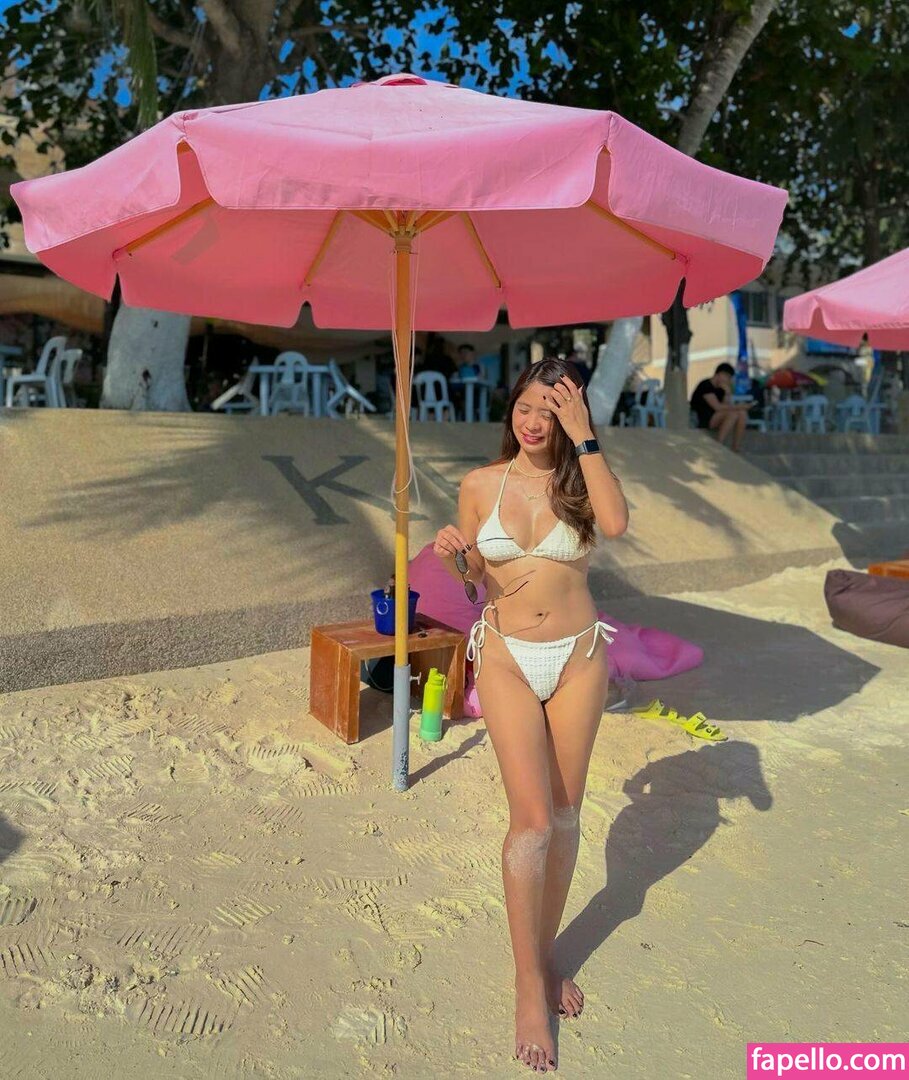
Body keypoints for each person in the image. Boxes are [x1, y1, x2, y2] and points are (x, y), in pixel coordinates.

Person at [432, 358, 629, 1073]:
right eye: (525, 406)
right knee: (533, 823)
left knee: (568, 816)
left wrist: (585, 437)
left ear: (572, 415)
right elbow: (473, 582)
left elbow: (616, 523)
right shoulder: (479, 484)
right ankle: (526, 988)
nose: (534, 421)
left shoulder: (583, 481)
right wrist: (457, 558)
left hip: (578, 658)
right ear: (510, 408)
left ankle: (545, 960)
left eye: (551, 409)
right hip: (507, 657)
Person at [690, 361, 751, 452]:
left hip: (716, 417)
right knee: (733, 414)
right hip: (702, 417)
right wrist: (739, 406)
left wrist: (727, 393)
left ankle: (735, 447)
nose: (728, 381)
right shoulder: (706, 385)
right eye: (728, 377)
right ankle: (718, 444)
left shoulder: (721, 389)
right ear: (721, 374)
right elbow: (717, 407)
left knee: (742, 413)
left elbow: (726, 406)